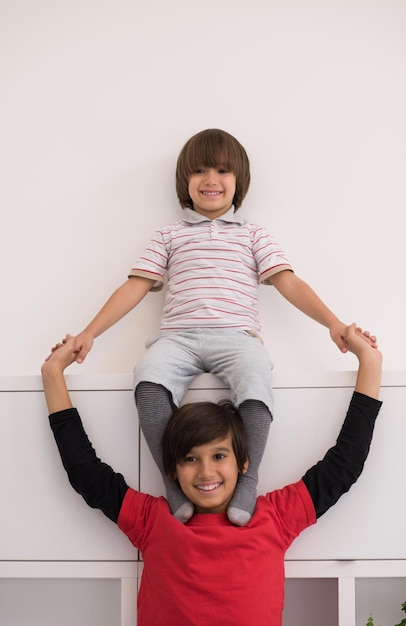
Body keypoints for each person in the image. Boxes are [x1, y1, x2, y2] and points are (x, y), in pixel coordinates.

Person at [50, 129, 376, 525]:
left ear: (239, 181)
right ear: (184, 181)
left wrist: (334, 324)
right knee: (147, 378)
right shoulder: (169, 236)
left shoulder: (252, 234)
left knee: (257, 377)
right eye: (200, 170)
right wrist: (89, 333)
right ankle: (173, 481)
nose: (211, 179)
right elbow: (134, 287)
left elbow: (288, 281)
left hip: (236, 338)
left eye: (223, 170)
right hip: (178, 339)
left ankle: (247, 479)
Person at [42, 323, 382, 626]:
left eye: (219, 456)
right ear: (172, 467)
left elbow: (345, 464)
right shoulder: (152, 521)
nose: (206, 472)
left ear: (243, 462)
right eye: (190, 459)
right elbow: (85, 472)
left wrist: (370, 362)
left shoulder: (275, 518)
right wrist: (53, 373)